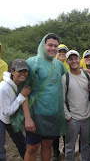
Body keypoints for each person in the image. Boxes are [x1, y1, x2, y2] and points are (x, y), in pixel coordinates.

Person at [11, 33, 67, 161]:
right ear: (43, 45)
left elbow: (71, 74)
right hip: (36, 114)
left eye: (55, 46)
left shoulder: (58, 65)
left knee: (47, 145)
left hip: (53, 115)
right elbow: (25, 92)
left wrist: (85, 70)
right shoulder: (33, 62)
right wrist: (27, 118)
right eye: (50, 45)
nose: (53, 48)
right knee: (32, 148)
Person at [63, 50, 90, 161]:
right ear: (67, 61)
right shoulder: (65, 78)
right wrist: (68, 117)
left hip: (87, 117)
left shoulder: (87, 75)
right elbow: (61, 100)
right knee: (70, 147)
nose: (74, 61)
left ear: (80, 59)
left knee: (86, 145)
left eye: (76, 58)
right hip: (73, 119)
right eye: (70, 59)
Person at [0, 59, 31, 161]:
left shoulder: (19, 84)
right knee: (1, 150)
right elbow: (7, 111)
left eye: (25, 71)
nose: (23, 74)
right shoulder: (4, 87)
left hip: (9, 119)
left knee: (22, 143)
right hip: (2, 118)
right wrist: (21, 96)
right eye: (19, 71)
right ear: (12, 71)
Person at [52, 44, 69, 160]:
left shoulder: (70, 64)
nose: (62, 53)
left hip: (68, 99)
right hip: (55, 100)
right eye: (60, 51)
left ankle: (66, 148)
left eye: (64, 51)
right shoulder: (52, 64)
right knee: (55, 129)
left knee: (67, 127)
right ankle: (55, 152)